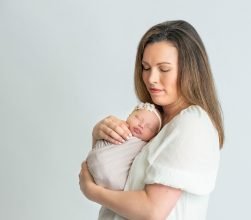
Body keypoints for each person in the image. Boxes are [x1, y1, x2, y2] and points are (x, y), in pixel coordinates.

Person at [79, 20, 225, 220]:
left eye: (164, 69)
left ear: (190, 71)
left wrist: (92, 192)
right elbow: (119, 182)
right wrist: (100, 137)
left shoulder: (191, 124)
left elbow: (152, 211)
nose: (151, 78)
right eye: (146, 68)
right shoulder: (154, 121)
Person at [86, 102, 162, 191]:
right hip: (93, 165)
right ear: (129, 116)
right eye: (137, 118)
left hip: (116, 181)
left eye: (149, 127)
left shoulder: (145, 146)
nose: (141, 125)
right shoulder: (118, 127)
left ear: (153, 136)